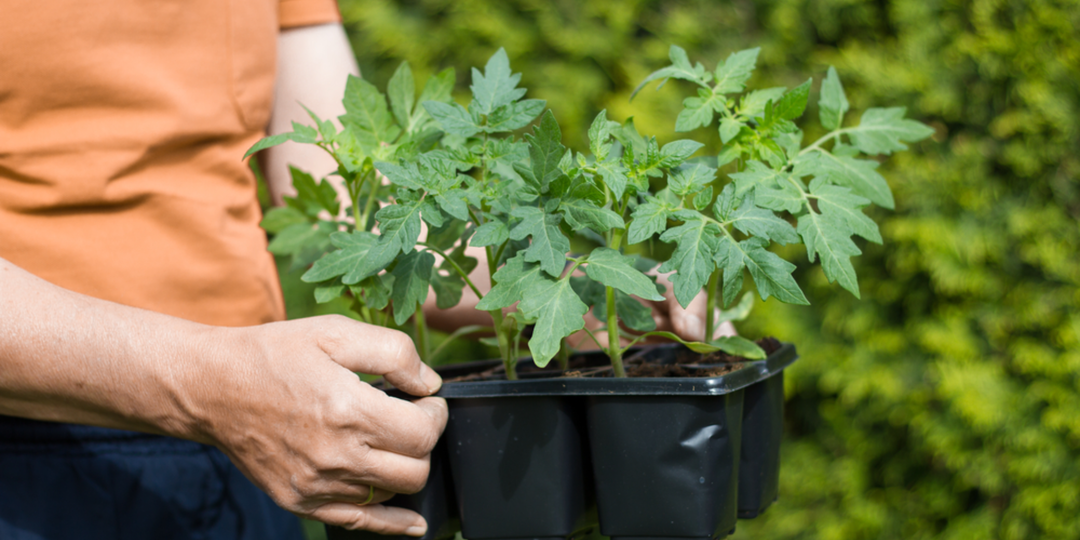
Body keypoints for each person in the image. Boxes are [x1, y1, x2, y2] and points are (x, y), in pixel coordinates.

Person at [0, 1, 731, 538]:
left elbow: (350, 211)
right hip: (36, 449)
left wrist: (573, 294)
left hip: (252, 444)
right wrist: (204, 381)